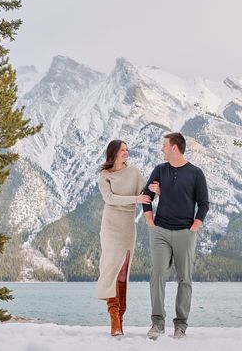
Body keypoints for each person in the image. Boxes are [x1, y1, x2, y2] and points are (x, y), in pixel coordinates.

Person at [142, 132, 209, 340]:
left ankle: (180, 325)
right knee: (157, 275)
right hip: (160, 231)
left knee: (184, 279)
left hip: (185, 233)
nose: (161, 148)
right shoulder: (160, 170)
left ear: (174, 148)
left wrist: (194, 228)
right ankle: (157, 323)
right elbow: (146, 196)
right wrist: (150, 221)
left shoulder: (196, 173)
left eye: (164, 145)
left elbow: (204, 204)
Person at [95, 139, 151, 336]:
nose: (126, 153)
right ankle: (114, 320)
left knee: (123, 271)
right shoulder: (105, 175)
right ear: (114, 154)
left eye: (127, 150)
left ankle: (121, 317)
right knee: (112, 267)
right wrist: (136, 199)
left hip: (128, 225)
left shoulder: (134, 171)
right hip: (111, 226)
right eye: (122, 150)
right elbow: (109, 199)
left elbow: (145, 193)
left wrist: (156, 189)